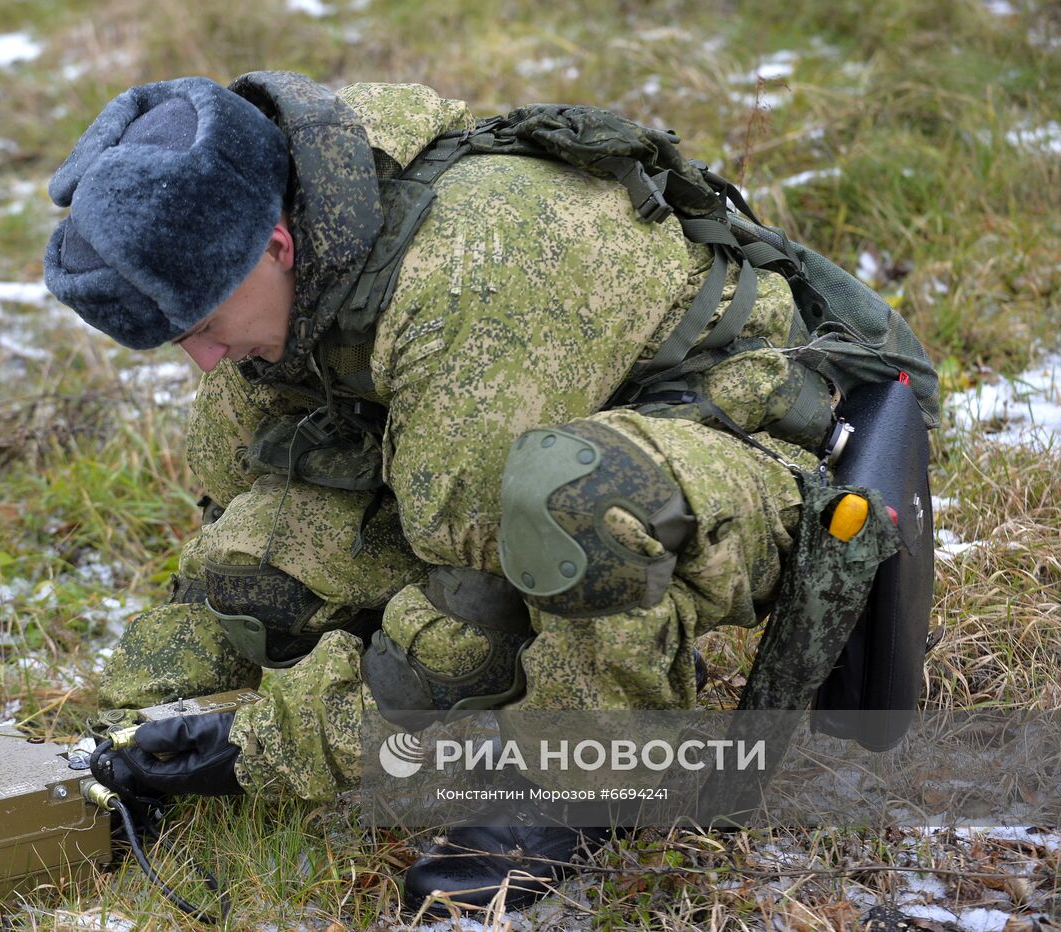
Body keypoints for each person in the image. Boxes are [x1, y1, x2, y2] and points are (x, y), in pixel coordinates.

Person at [44, 71, 834, 913]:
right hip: (517, 440)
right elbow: (237, 520)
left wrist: (259, 749)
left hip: (732, 452)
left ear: (276, 247)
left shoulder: (466, 281)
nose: (204, 362)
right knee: (261, 569)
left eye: (204, 328)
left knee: (569, 502)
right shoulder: (306, 232)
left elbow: (472, 620)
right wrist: (134, 721)